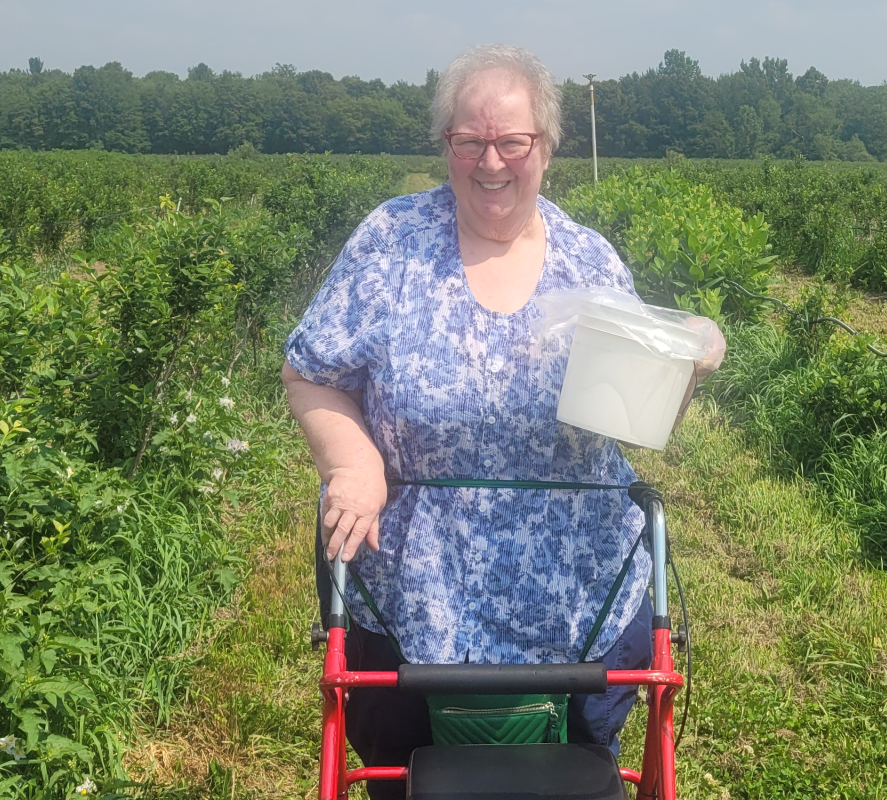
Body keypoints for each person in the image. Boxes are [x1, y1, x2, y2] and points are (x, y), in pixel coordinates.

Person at [282, 43, 724, 798]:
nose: (492, 161)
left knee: (571, 780)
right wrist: (352, 464)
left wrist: (685, 362)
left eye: (512, 141)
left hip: (577, 608)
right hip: (411, 599)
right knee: (409, 778)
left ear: (544, 148)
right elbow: (310, 373)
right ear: (446, 144)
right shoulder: (391, 243)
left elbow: (636, 416)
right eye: (470, 140)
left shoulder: (589, 264)